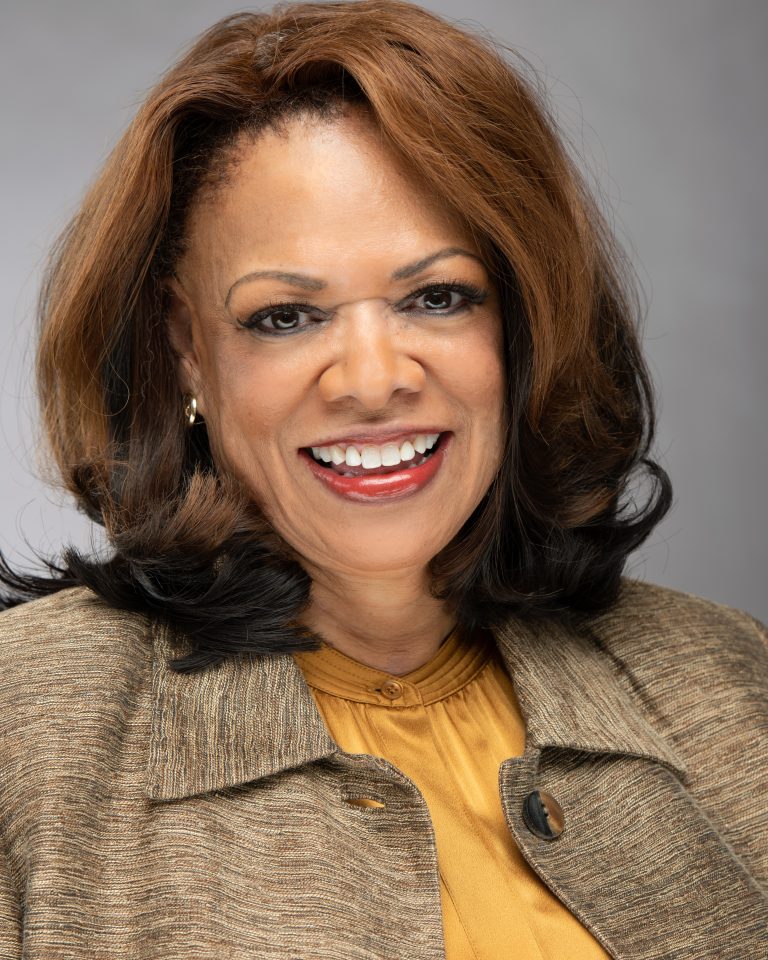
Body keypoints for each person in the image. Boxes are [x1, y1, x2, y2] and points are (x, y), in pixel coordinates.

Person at [0, 1, 765, 957]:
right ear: (187, 348)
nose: (372, 381)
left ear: (521, 327)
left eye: (437, 297)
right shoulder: (19, 729)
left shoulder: (736, 687)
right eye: (285, 315)